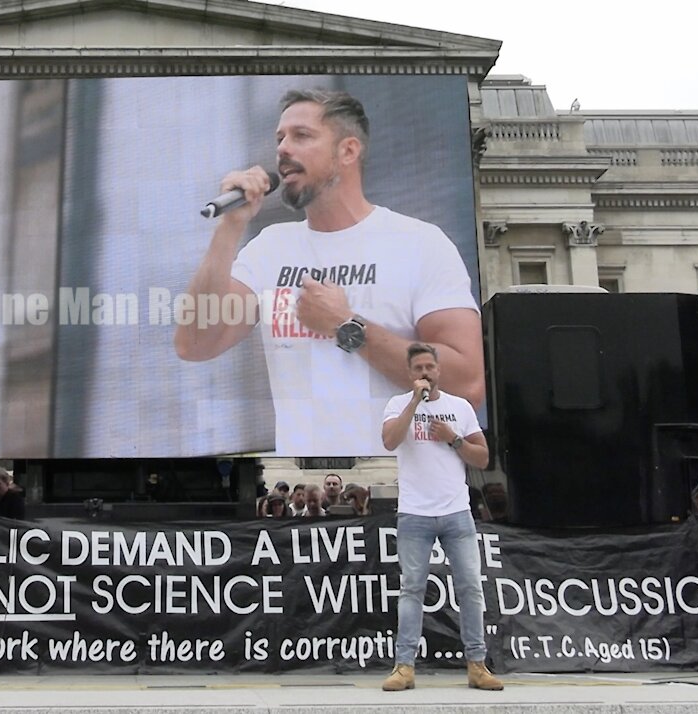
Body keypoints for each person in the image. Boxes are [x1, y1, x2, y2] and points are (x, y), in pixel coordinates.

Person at [175, 88, 483, 456]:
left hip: (407, 494)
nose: (283, 149)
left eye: (301, 136)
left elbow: (467, 383)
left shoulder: (420, 243)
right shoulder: (269, 249)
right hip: (303, 494)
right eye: (280, 139)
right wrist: (230, 227)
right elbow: (194, 344)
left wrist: (347, 327)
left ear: (348, 151)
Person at [380, 343, 501, 692]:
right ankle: (404, 667)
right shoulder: (397, 405)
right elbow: (389, 441)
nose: (425, 373)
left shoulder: (459, 408)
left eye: (430, 367)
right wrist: (413, 403)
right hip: (415, 513)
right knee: (412, 589)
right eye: (418, 368)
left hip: (456, 513)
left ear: (439, 370)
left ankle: (477, 664)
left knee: (469, 588)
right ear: (409, 373)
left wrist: (454, 438)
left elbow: (481, 458)